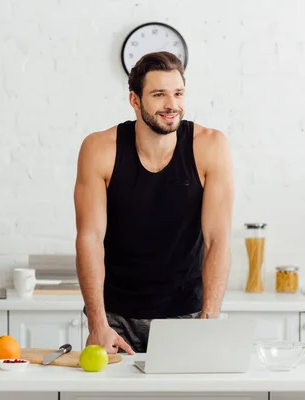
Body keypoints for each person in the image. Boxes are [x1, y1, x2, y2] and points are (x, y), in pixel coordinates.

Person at [73, 51, 234, 355]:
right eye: (159, 94)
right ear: (135, 100)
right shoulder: (100, 149)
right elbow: (89, 238)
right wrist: (97, 324)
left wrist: (209, 318)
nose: (171, 105)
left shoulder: (210, 146)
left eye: (177, 93)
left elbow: (217, 240)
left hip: (187, 316)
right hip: (115, 318)